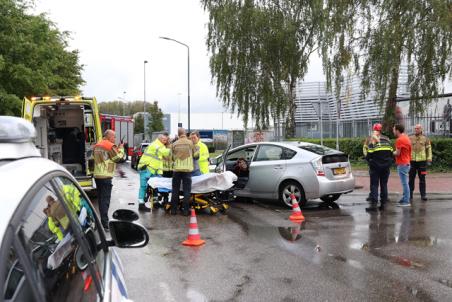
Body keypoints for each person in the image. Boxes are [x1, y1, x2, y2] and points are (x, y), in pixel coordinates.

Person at [93, 129, 124, 229]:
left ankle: (101, 221)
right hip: (106, 176)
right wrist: (121, 149)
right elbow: (118, 159)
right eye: (114, 136)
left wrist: (117, 149)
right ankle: (105, 223)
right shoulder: (109, 145)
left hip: (98, 175)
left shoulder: (98, 144)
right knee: (105, 200)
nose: (115, 139)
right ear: (108, 136)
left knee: (101, 199)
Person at [137, 133, 170, 212]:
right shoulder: (156, 145)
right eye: (164, 140)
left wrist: (159, 172)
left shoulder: (159, 146)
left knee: (154, 186)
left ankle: (155, 202)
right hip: (146, 168)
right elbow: (166, 152)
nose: (165, 142)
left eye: (166, 140)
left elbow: (158, 161)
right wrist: (172, 146)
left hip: (151, 169)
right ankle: (141, 204)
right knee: (143, 187)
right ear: (159, 139)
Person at [170, 128, 199, 216]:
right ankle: (185, 211)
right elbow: (196, 156)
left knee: (175, 190)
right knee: (187, 191)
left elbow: (171, 157)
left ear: (178, 134)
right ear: (185, 133)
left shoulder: (174, 144)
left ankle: (173, 210)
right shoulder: (191, 143)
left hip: (176, 170)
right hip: (187, 170)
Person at [365, 124, 393, 212]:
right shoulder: (387, 139)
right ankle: (383, 205)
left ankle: (374, 205)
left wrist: (368, 160)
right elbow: (391, 153)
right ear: (381, 130)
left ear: (374, 130)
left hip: (375, 167)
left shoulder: (372, 140)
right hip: (386, 167)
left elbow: (369, 155)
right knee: (384, 185)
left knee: (374, 185)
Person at [409, 124, 432, 202]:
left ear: (421, 129)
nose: (416, 130)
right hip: (412, 161)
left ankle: (423, 195)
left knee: (422, 178)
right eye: (415, 128)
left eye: (418, 128)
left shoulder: (426, 138)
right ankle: (410, 194)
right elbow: (407, 149)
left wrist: (429, 159)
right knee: (411, 178)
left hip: (422, 162)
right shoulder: (410, 137)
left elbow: (429, 149)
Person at [393, 124, 412, 207]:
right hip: (407, 162)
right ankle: (404, 198)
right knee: (405, 183)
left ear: (397, 130)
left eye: (394, 129)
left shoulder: (399, 140)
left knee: (405, 183)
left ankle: (406, 201)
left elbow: (397, 153)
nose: (393, 131)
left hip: (402, 163)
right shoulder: (407, 138)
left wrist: (390, 152)